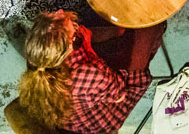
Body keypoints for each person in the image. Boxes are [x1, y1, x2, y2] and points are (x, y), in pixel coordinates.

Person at [18, 10, 162, 134]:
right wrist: (88, 45)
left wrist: (115, 31)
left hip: (74, 113)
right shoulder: (88, 73)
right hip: (102, 119)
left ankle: (151, 41)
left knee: (115, 27)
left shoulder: (41, 56)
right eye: (73, 29)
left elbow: (84, 32)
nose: (61, 11)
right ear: (71, 45)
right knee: (151, 25)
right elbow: (119, 94)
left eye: (57, 14)